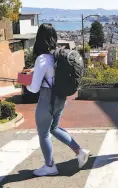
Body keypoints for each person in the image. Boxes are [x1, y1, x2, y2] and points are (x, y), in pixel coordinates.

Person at [26, 23, 90, 177]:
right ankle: (79, 151)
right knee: (54, 128)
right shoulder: (57, 56)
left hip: (46, 98)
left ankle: (49, 166)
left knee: (44, 133)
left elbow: (34, 89)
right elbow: (53, 74)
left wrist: (25, 82)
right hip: (60, 97)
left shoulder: (42, 58)